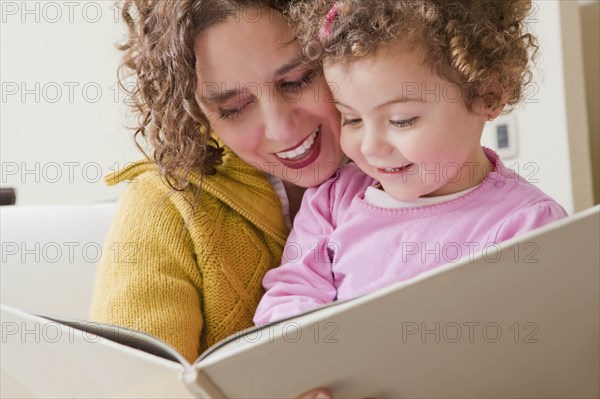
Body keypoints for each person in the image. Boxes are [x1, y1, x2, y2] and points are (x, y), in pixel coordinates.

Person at [254, 0, 568, 325]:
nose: (370, 147)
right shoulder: (331, 202)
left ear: (486, 96)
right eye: (352, 119)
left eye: (402, 120)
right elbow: (289, 297)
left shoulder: (526, 225)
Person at [89, 0, 346, 374]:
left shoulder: (430, 161)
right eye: (235, 107)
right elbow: (128, 388)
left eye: (298, 80)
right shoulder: (165, 208)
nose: (280, 129)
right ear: (195, 113)